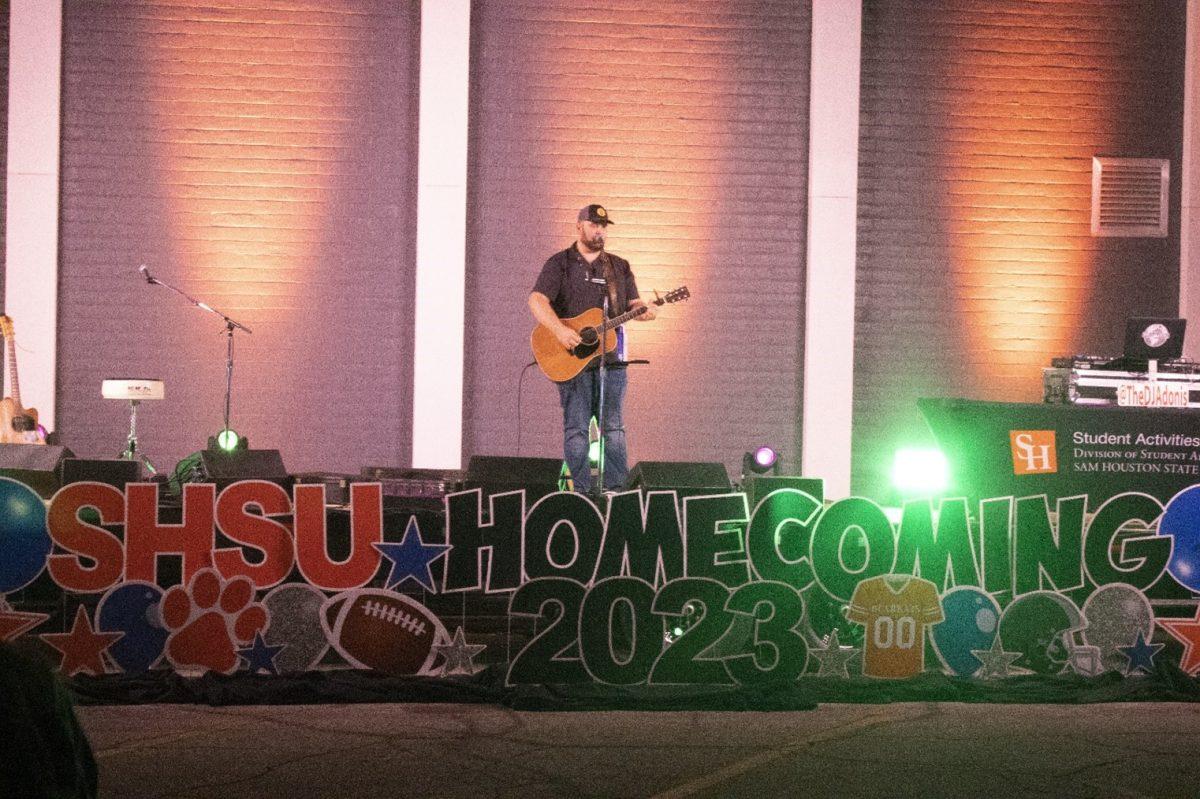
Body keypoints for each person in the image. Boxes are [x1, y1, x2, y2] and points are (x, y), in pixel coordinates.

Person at [529, 204, 656, 493]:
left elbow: (633, 304)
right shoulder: (559, 263)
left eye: (603, 226)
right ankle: (581, 493)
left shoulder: (618, 266)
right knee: (576, 430)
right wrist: (560, 331)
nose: (599, 230)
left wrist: (647, 310)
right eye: (594, 224)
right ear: (579, 226)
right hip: (573, 362)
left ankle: (617, 491)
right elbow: (537, 300)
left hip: (611, 362)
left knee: (613, 429)